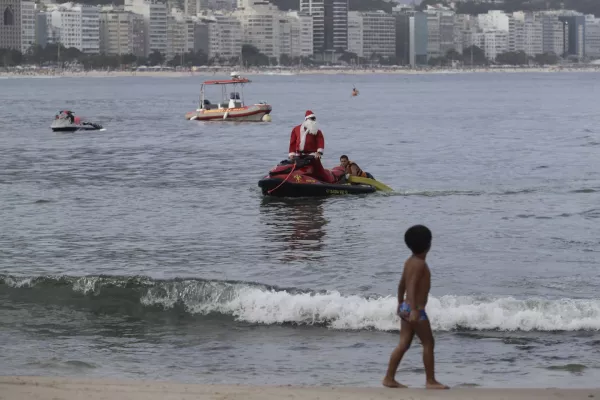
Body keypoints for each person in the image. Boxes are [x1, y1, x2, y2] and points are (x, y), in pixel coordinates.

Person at [382, 225, 449, 390]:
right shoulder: (420, 264)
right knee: (428, 342)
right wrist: (413, 309)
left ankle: (389, 378)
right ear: (429, 244)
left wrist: (400, 303)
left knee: (404, 343)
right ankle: (430, 381)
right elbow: (410, 286)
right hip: (416, 310)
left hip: (406, 306)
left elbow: (401, 284)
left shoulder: (409, 261)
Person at [288, 110, 334, 184]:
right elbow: (292, 143)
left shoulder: (317, 131)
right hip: (298, 155)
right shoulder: (296, 129)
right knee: (294, 168)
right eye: (311, 118)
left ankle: (328, 181)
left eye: (314, 118)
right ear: (306, 119)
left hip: (312, 155)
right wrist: (291, 154)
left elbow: (320, 141)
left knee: (319, 170)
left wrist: (319, 152)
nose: (313, 120)